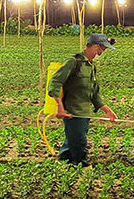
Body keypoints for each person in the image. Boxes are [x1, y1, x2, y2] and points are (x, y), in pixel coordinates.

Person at [47, 32, 118, 166]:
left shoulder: (91, 67)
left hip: (84, 113)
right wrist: (59, 106)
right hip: (73, 111)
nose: (102, 52)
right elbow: (54, 82)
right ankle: (81, 167)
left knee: (71, 141)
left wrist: (107, 111)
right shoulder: (74, 62)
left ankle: (63, 165)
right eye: (102, 48)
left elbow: (94, 93)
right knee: (79, 142)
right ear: (95, 46)